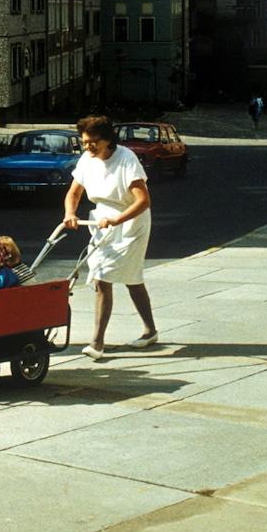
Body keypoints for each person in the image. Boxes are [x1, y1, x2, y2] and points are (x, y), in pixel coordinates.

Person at [62, 114, 157, 360]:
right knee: (130, 277)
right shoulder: (87, 159)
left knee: (105, 277)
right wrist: (70, 213)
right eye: (84, 142)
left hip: (131, 223)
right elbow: (73, 193)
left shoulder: (126, 159)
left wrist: (117, 219)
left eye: (93, 141)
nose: (88, 146)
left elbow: (143, 201)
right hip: (101, 221)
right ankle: (151, 330)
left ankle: (97, 342)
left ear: (107, 139)